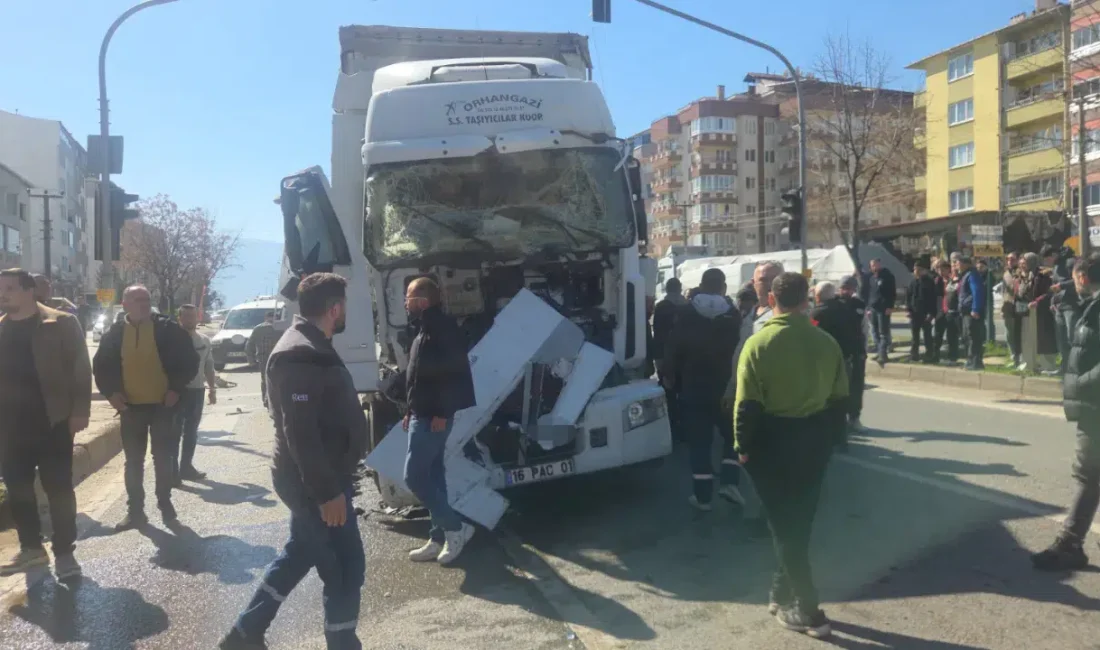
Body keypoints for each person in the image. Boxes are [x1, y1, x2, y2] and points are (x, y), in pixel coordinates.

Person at [221, 273, 367, 650]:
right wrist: (327, 492)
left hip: (317, 477)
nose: (345, 311)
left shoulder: (311, 344)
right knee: (344, 566)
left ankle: (244, 634)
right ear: (334, 308)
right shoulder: (299, 353)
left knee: (299, 554)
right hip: (315, 483)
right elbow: (299, 432)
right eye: (344, 306)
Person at [733, 272, 848, 638]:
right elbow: (839, 400)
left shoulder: (759, 343)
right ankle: (780, 593)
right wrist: (831, 442)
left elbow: (746, 405)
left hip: (772, 442)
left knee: (785, 529)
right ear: (806, 301)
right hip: (814, 440)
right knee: (798, 524)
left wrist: (743, 447)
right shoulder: (827, 342)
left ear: (770, 301)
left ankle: (810, 611)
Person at [0, 269, 90, 580]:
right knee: (19, 490)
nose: (4, 294)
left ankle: (65, 553)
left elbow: (81, 368)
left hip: (52, 423)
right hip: (10, 429)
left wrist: (81, 411)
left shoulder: (60, 323)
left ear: (29, 290)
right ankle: (31, 549)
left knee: (58, 489)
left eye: (10, 288)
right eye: (1, 289)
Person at [93, 284, 198, 529]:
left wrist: (176, 389)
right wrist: (110, 394)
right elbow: (101, 366)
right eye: (137, 299)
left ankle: (165, 505)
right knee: (133, 461)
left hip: (163, 405)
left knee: (162, 457)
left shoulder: (168, 329)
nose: (143, 303)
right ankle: (135, 512)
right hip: (131, 409)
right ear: (125, 303)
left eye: (147, 299)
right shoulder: (115, 332)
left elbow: (189, 362)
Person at [1032, 253, 1100, 571]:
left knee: (1089, 474)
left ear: (1083, 277)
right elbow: (1077, 346)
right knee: (1092, 475)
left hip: (1095, 403)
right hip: (1092, 403)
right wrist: (1067, 310)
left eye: (1074, 278)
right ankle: (1071, 543)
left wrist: (1084, 385)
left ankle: (1070, 543)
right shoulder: (1089, 306)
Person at [403, 276, 477, 565]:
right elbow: (420, 376)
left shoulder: (442, 330)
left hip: (434, 417)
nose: (405, 302)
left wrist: (442, 413)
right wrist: (410, 408)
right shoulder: (425, 328)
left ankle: (456, 528)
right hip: (422, 414)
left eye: (409, 297)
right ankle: (437, 538)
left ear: (421, 302)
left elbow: (453, 375)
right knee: (433, 476)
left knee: (414, 476)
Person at [663, 268, 743, 511]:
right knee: (733, 436)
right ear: (723, 287)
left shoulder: (686, 313)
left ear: (701, 284)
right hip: (725, 387)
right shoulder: (733, 314)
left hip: (693, 386)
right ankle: (729, 481)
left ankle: (703, 497)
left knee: (699, 442)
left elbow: (674, 346)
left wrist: (669, 376)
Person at [812, 277, 867, 437]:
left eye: (850, 288)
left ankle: (854, 418)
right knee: (839, 390)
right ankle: (838, 424)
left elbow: (864, 328)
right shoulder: (832, 305)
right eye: (844, 288)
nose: (847, 291)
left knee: (856, 386)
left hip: (856, 351)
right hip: (838, 353)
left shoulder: (858, 305)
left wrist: (863, 349)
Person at [174, 304, 217, 484]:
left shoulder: (204, 341)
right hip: (176, 392)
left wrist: (212, 389)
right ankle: (172, 472)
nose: (190, 319)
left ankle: (186, 467)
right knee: (174, 432)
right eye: (186, 316)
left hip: (197, 391)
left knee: (191, 432)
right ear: (180, 318)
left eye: (193, 316)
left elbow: (209, 365)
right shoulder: (172, 340)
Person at [651, 278, 687, 436]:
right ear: (679, 289)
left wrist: (658, 359)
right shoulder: (688, 306)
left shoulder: (661, 307)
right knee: (685, 391)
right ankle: (686, 426)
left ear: (666, 289)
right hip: (685, 357)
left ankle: (673, 427)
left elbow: (658, 335)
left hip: (665, 356)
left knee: (669, 392)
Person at [1019, 252, 1058, 373]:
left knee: (1045, 338)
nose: (1023, 266)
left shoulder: (1043, 275)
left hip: (1043, 311)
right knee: (1033, 338)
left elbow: (1049, 292)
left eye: (1025, 263)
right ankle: (1033, 364)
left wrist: (1037, 301)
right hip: (1031, 310)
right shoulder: (1027, 275)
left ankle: (1048, 365)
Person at [1049, 245, 1079, 375]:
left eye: (1047, 258)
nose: (1047, 262)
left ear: (1054, 254)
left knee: (1072, 338)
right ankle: (1064, 367)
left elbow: (1077, 280)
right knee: (1061, 339)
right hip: (1059, 306)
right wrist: (1052, 301)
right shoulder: (1056, 267)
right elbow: (1054, 286)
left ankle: (1076, 368)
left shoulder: (1071, 263)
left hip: (1071, 305)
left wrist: (1061, 285)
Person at [956, 256, 987, 371]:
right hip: (965, 311)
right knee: (966, 337)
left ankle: (975, 362)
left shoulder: (972, 275)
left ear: (965, 264)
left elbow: (977, 291)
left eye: (958, 263)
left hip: (971, 312)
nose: (956, 266)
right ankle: (970, 361)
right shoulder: (965, 275)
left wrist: (975, 309)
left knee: (973, 337)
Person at [246, 311, 282, 408]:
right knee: (280, 379)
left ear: (266, 317)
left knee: (265, 379)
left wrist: (251, 360)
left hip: (263, 358)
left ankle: (266, 401)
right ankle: (278, 400)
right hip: (280, 357)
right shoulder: (282, 327)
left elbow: (249, 345)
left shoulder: (258, 328)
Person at [867, 258, 897, 368]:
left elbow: (892, 293)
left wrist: (890, 306)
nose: (874, 267)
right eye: (872, 265)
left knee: (883, 332)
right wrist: (869, 308)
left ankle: (883, 354)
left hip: (884, 308)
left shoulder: (887, 276)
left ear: (879, 264)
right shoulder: (871, 278)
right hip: (873, 308)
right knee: (874, 331)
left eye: (876, 264)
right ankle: (880, 352)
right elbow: (871, 294)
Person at [905, 261, 937, 363]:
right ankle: (914, 355)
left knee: (927, 335)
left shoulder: (929, 282)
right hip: (914, 313)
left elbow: (933, 299)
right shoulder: (913, 282)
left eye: (918, 270)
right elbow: (908, 297)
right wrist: (908, 310)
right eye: (915, 270)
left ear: (924, 271)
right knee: (915, 336)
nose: (916, 272)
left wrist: (931, 313)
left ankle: (929, 354)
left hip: (925, 313)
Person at [933, 260, 960, 364]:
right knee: (937, 335)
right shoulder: (937, 281)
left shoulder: (953, 280)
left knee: (952, 336)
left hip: (951, 311)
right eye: (938, 269)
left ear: (948, 269)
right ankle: (935, 356)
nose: (940, 271)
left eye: (942, 269)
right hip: (940, 311)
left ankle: (952, 357)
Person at [1001, 252, 1023, 368]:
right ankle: (1013, 356)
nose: (1010, 261)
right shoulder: (1005, 273)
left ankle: (1021, 357)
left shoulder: (1020, 272)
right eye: (1008, 259)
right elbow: (1004, 291)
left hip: (1019, 307)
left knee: (1019, 333)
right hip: (1007, 307)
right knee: (1009, 334)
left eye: (1012, 259)